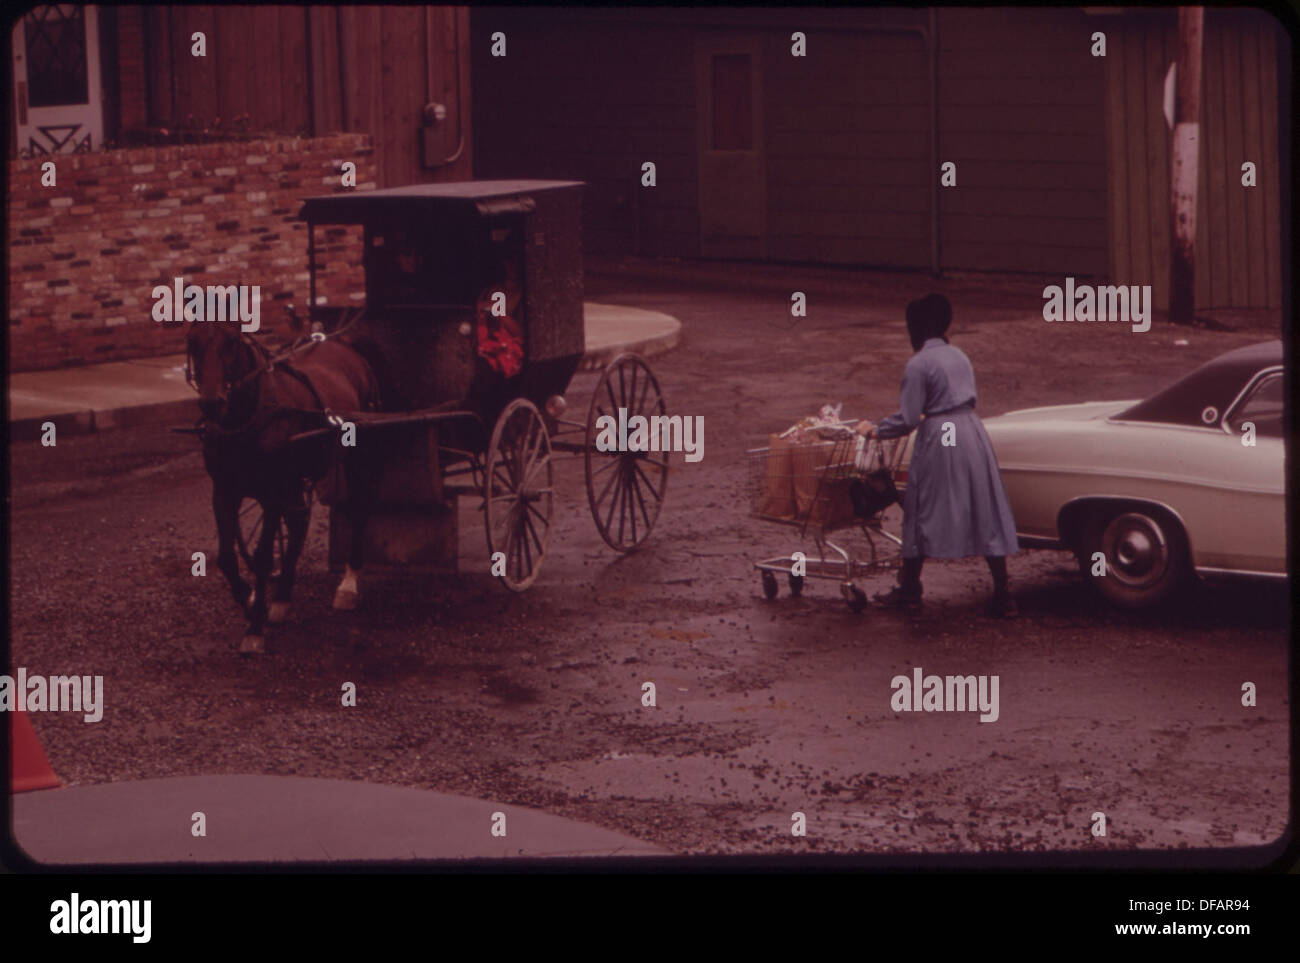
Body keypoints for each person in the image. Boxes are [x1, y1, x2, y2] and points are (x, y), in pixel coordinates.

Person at [856, 294, 1019, 617]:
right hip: (971, 432)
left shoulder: (919, 364)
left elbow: (908, 417)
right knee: (982, 506)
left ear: (916, 327)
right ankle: (1003, 592)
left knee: (920, 504)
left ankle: (910, 588)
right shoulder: (959, 355)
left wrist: (874, 430)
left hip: (942, 434)